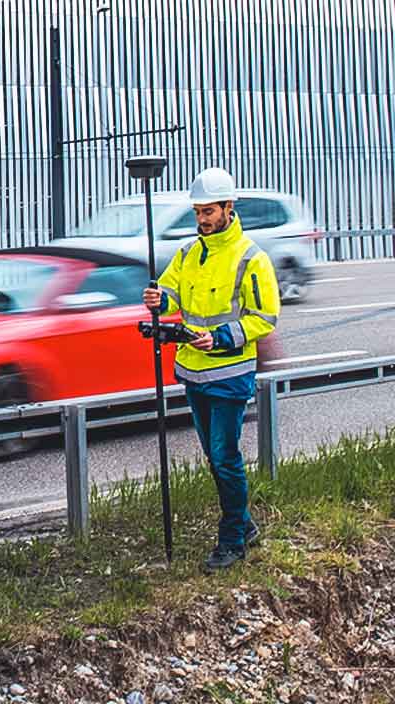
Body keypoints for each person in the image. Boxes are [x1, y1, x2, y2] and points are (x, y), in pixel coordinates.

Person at [143, 167, 280, 571]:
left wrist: (220, 337)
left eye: (208, 211)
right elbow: (171, 294)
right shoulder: (187, 253)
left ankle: (233, 539)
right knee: (213, 456)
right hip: (193, 371)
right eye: (198, 211)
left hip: (230, 374)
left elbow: (265, 317)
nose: (202, 219)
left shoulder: (251, 258)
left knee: (224, 456)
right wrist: (157, 299)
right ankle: (245, 523)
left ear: (228, 207)